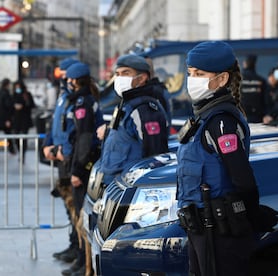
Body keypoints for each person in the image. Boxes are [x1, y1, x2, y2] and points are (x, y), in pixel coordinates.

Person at [176, 41, 262, 276]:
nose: (192, 79)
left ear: (222, 79)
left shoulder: (222, 122)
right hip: (198, 228)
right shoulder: (203, 116)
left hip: (219, 230)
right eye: (191, 73)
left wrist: (250, 220)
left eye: (200, 74)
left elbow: (242, 178)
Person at [96, 54, 169, 186]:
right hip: (113, 184)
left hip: (128, 185)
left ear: (142, 78)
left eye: (126, 73)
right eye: (117, 74)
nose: (119, 78)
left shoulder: (144, 109)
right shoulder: (127, 103)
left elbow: (154, 154)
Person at [60, 62, 103, 276]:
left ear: (77, 81)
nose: (67, 82)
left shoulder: (83, 103)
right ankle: (81, 261)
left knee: (82, 218)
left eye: (69, 79)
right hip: (79, 163)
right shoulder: (80, 100)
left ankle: (86, 265)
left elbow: (85, 139)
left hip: (82, 167)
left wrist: (77, 170)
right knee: (79, 216)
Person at [42, 57, 80, 263]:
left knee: (74, 206)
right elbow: (54, 123)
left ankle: (78, 248)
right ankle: (73, 245)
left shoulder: (76, 99)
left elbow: (75, 132)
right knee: (68, 206)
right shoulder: (62, 96)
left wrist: (62, 149)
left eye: (65, 76)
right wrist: (48, 144)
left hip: (68, 158)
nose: (63, 80)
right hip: (59, 157)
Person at [240, 54, 270, 123]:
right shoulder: (261, 81)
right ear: (255, 65)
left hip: (239, 118)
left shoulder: (237, 80)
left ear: (245, 63)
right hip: (258, 119)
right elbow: (266, 100)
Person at [12, 80, 35, 163]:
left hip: (25, 119)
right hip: (16, 120)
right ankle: (19, 151)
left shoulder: (27, 95)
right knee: (16, 137)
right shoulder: (14, 95)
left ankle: (23, 154)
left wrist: (23, 105)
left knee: (24, 138)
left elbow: (32, 105)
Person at [0, 78, 16, 154]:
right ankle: (12, 150)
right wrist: (8, 119)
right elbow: (7, 107)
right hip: (4, 119)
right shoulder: (6, 94)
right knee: (9, 136)